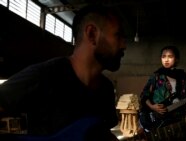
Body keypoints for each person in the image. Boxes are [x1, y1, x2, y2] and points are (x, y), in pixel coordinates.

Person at [0, 4, 126, 141]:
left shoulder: (106, 89)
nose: (123, 45)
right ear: (92, 34)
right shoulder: (43, 76)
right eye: (118, 35)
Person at [139, 46, 186, 141]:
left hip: (179, 122)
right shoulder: (156, 76)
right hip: (159, 120)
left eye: (170, 56)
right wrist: (153, 107)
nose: (166, 59)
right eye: (163, 56)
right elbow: (144, 95)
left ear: (177, 59)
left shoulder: (183, 77)